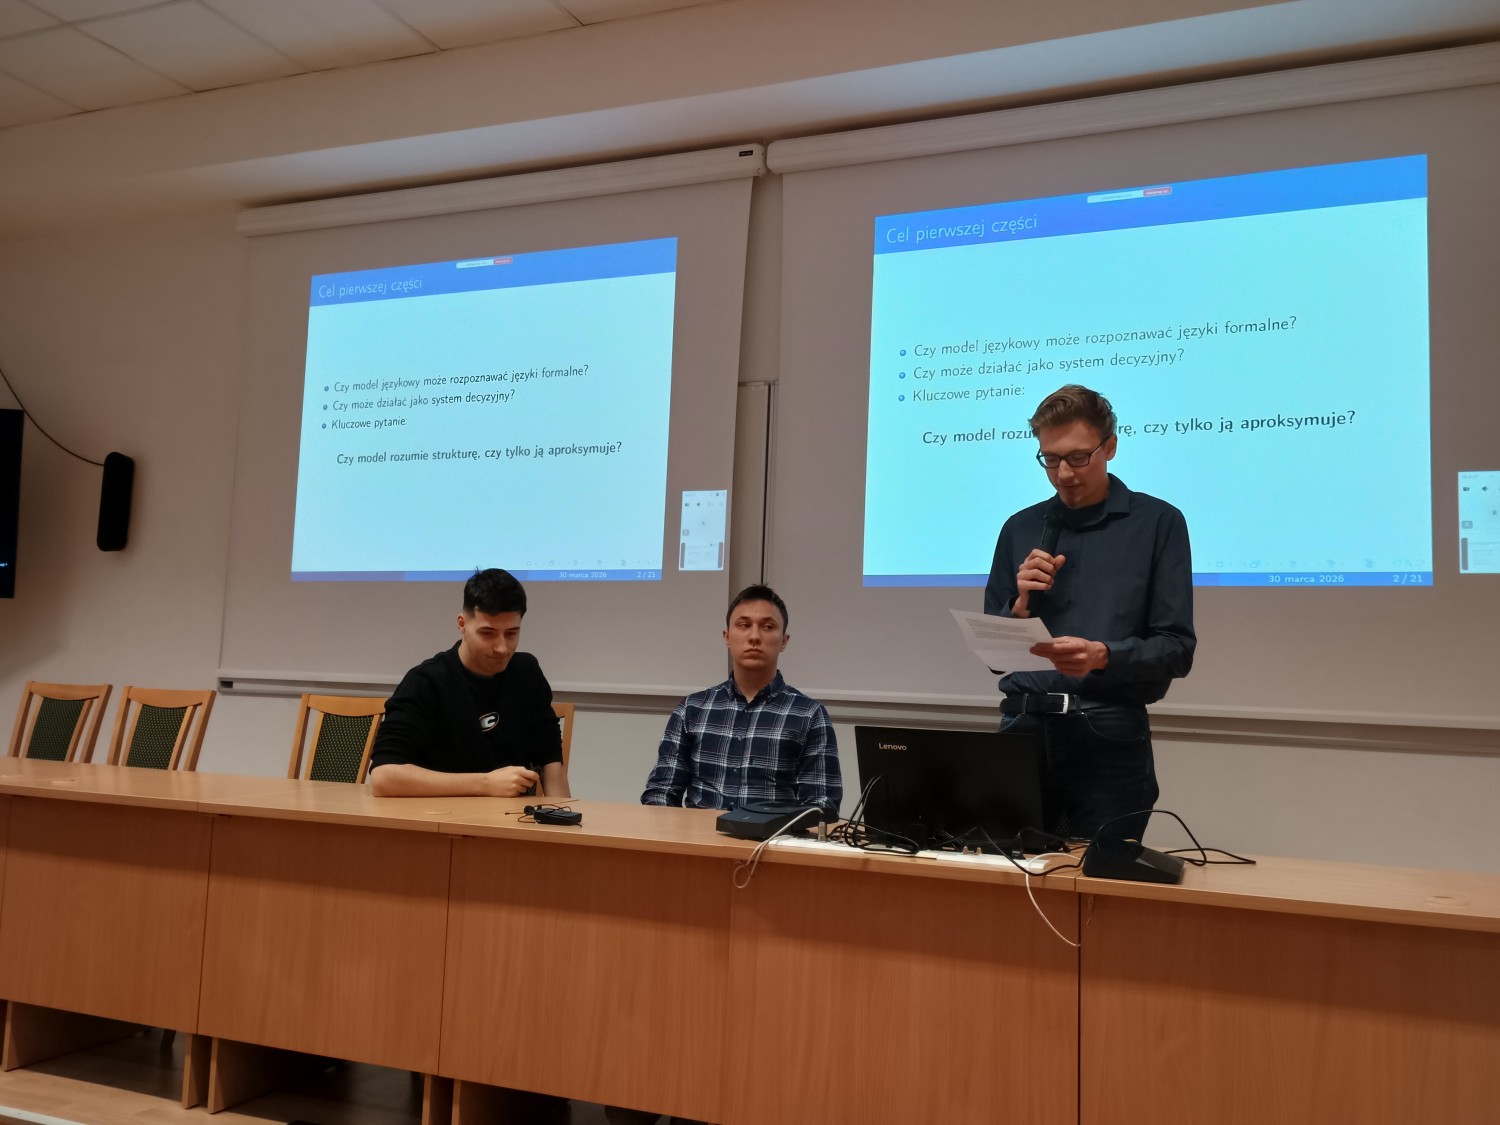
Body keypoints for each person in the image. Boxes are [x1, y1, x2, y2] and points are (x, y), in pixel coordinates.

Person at [983, 384, 1194, 842]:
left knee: (1100, 877)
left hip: (1108, 731)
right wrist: (1019, 606)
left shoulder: (1158, 523)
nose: (1064, 474)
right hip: (1022, 726)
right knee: (1006, 874)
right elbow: (996, 658)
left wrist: (1103, 656)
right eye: (1050, 459)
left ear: (1110, 447)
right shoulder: (1020, 527)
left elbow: (1177, 649)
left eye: (1079, 458)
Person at [641, 584, 841, 819]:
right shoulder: (692, 709)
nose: (754, 637)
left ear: (784, 641)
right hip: (698, 838)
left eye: (768, 627)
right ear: (727, 637)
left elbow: (821, 805)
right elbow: (661, 792)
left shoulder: (809, 714)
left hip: (772, 839)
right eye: (744, 625)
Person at [369, 567, 570, 799]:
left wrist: (560, 813)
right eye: (488, 633)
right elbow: (384, 777)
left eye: (511, 633)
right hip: (438, 815)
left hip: (510, 816)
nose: (502, 647)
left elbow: (549, 756)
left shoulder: (527, 673)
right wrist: (485, 784)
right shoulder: (426, 682)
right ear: (462, 624)